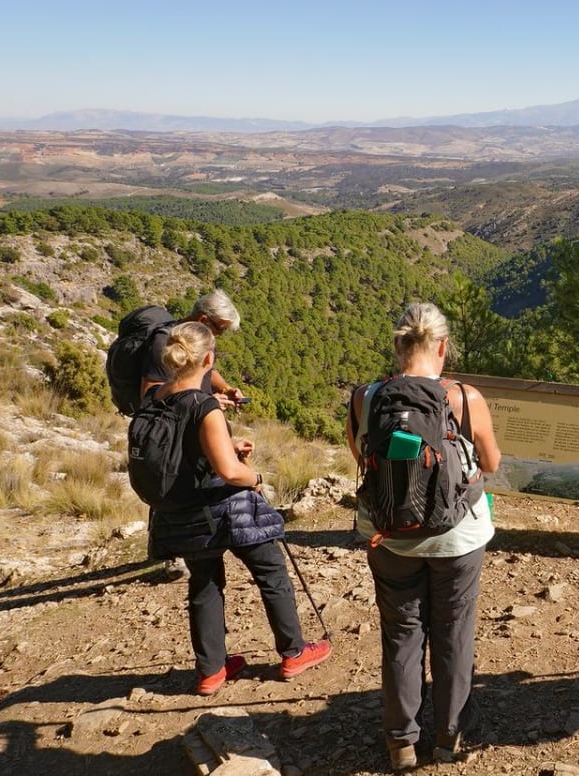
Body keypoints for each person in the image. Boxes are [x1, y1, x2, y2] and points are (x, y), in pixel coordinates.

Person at [346, 302, 501, 772]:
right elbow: (491, 464)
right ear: (442, 346)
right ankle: (450, 736)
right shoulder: (463, 397)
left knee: (401, 635)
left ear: (397, 346)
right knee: (454, 632)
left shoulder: (366, 397)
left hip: (390, 535)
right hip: (457, 537)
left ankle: (400, 741)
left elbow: (359, 453)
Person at [140, 321, 331, 696]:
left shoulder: (154, 399)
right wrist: (254, 475)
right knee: (271, 571)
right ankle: (293, 652)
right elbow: (229, 472)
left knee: (205, 583)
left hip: (181, 516)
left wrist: (229, 448)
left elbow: (186, 454)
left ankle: (211, 671)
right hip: (223, 509)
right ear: (208, 359)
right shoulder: (204, 405)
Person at [141, 290, 245, 581]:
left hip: (194, 421)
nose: (221, 337)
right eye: (220, 330)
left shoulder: (193, 342)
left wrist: (223, 390)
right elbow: (149, 392)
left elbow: (206, 370)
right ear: (203, 319)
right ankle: (171, 553)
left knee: (197, 480)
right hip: (171, 430)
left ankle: (199, 540)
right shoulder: (164, 343)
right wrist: (202, 403)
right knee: (169, 483)